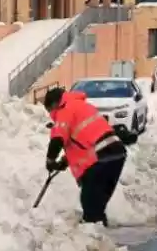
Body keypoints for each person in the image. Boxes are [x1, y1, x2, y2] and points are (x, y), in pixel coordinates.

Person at [42, 86, 128, 226]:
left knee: (89, 202)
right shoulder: (81, 105)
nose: (51, 115)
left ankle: (94, 237)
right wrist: (64, 161)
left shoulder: (64, 110)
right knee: (97, 203)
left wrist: (50, 160)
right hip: (116, 153)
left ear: (54, 105)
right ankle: (99, 232)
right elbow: (84, 139)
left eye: (49, 110)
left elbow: (58, 139)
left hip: (101, 156)